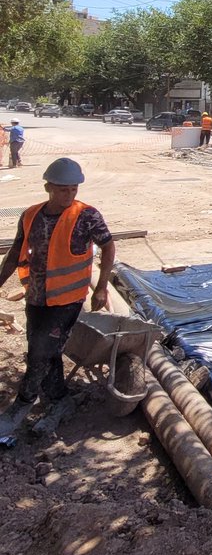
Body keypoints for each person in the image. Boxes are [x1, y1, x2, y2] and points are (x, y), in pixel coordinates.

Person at [0, 158, 115, 440]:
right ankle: (60, 400)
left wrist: (101, 287)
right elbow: (15, 253)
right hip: (37, 298)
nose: (69, 195)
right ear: (48, 187)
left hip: (67, 301)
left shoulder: (87, 216)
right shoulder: (29, 215)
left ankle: (22, 405)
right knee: (43, 351)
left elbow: (108, 247)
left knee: (40, 351)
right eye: (63, 190)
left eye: (73, 189)